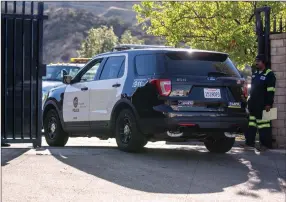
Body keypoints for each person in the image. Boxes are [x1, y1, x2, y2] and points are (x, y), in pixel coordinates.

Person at [242, 54, 276, 151]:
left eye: (258, 61)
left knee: (265, 125)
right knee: (251, 125)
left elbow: (271, 90)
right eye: (256, 61)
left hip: (264, 105)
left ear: (263, 62)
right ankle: (249, 144)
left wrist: (269, 104)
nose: (256, 63)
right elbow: (252, 89)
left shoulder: (269, 74)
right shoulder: (255, 74)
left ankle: (265, 145)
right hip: (253, 104)